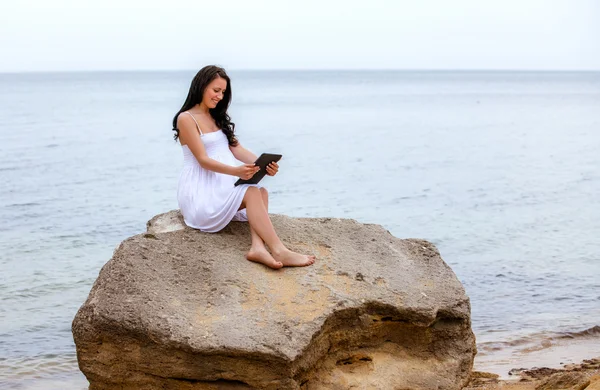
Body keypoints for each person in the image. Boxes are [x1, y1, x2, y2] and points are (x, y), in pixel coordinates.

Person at [172, 65, 316, 270]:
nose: (220, 96)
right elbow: (203, 160)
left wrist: (262, 165)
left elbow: (237, 149)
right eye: (216, 90)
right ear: (201, 86)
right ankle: (279, 250)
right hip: (201, 191)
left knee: (261, 192)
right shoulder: (186, 118)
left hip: (221, 185)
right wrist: (237, 171)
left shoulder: (216, 116)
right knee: (251, 192)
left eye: (223, 92)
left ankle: (258, 247)